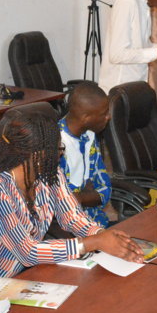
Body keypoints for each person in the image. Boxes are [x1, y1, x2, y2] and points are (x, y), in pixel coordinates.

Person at [0, 109, 144, 280]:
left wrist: (104, 236)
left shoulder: (49, 174)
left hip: (18, 275)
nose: (60, 154)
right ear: (36, 154)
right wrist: (93, 242)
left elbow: (73, 217)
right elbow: (27, 252)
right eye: (57, 149)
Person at [58, 82, 114, 226]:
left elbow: (105, 189)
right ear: (85, 118)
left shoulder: (89, 135)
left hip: (97, 222)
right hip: (71, 233)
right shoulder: (57, 145)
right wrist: (86, 196)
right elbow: (63, 205)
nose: (109, 117)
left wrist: (81, 197)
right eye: (104, 114)